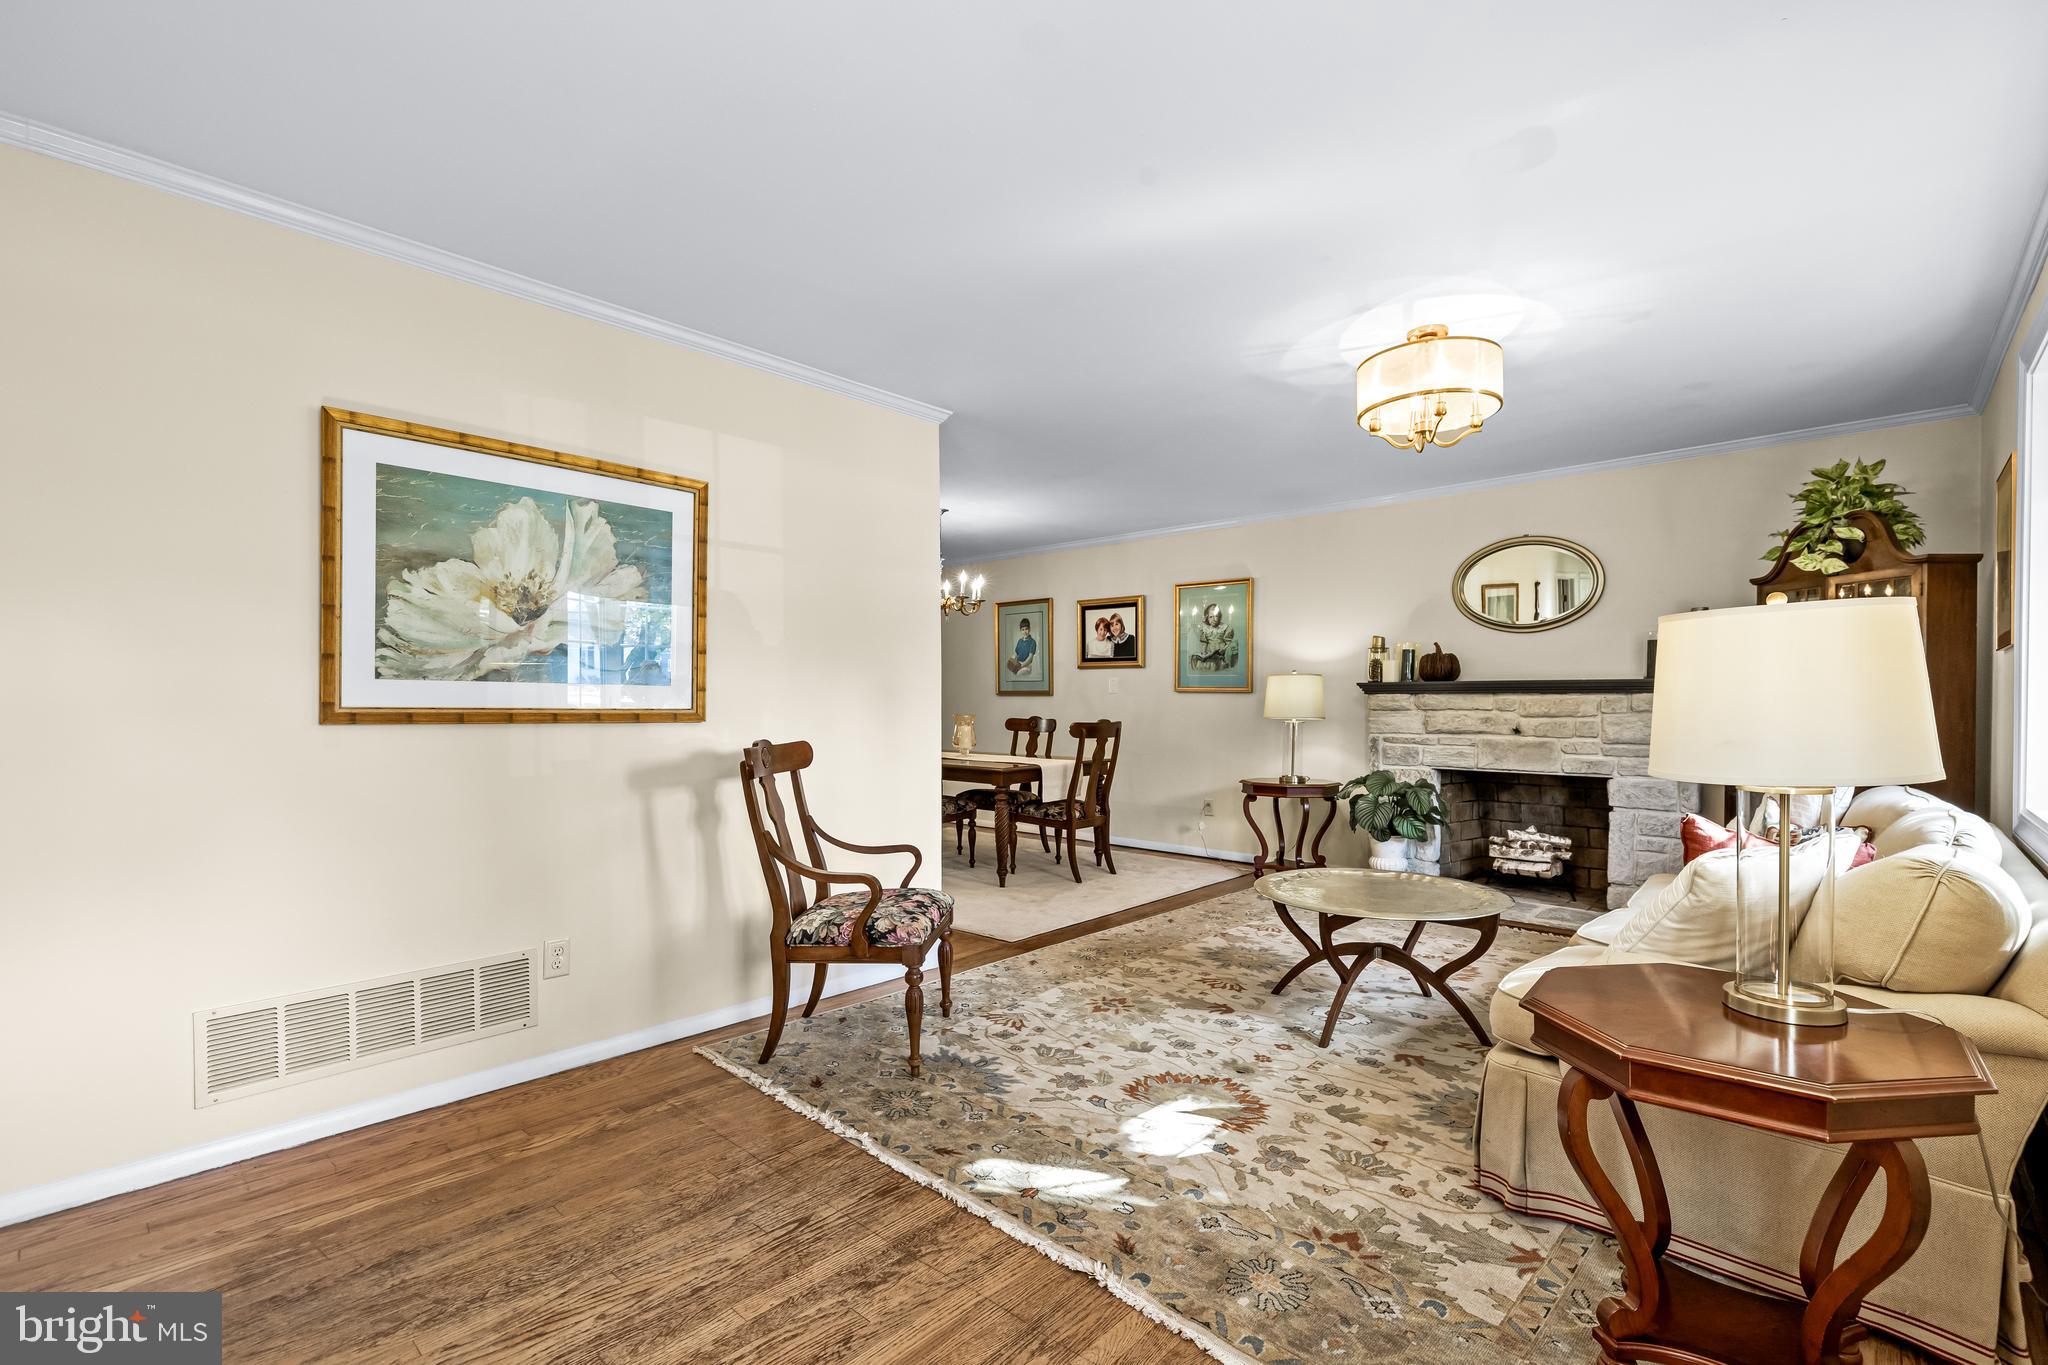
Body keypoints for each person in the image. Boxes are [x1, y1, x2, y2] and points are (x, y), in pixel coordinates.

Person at [1188, 601, 1237, 673]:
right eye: (1211, 617)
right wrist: (1203, 652)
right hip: (1208, 653)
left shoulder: (1225, 628)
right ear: (1207, 618)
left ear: (1220, 616)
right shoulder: (1205, 629)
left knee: (1218, 665)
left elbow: (1228, 643)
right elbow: (1204, 642)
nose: (1213, 619)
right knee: (1202, 663)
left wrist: (1223, 650)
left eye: (1216, 616)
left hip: (1220, 653)